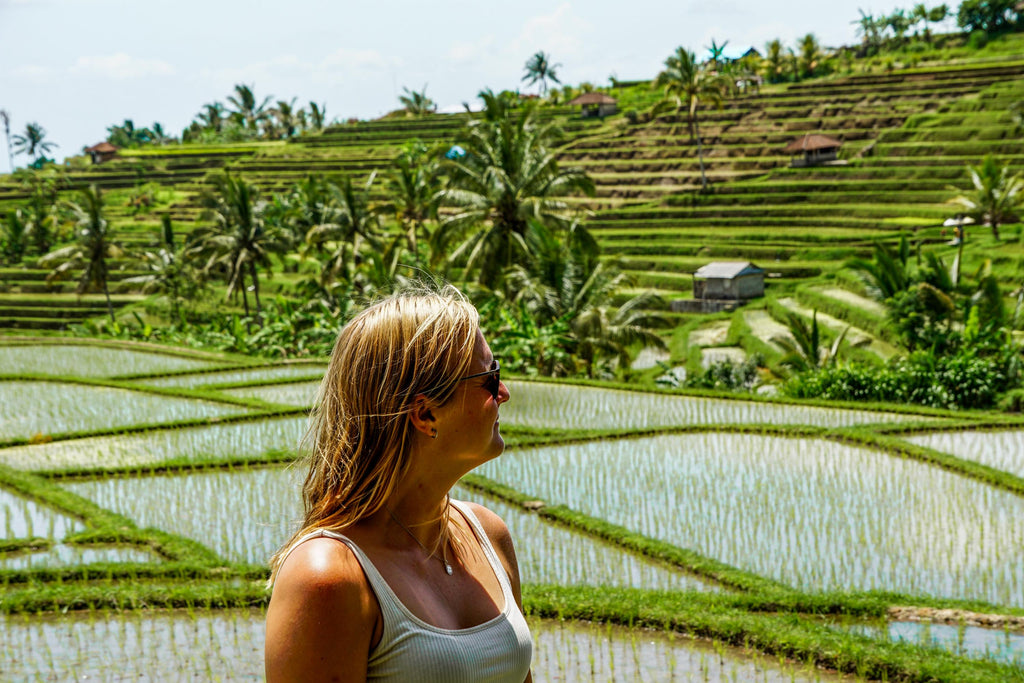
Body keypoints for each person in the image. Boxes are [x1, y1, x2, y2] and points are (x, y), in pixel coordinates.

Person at [265, 285, 533, 683]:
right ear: (426, 415)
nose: (504, 393)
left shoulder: (488, 535)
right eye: (489, 379)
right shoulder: (329, 577)